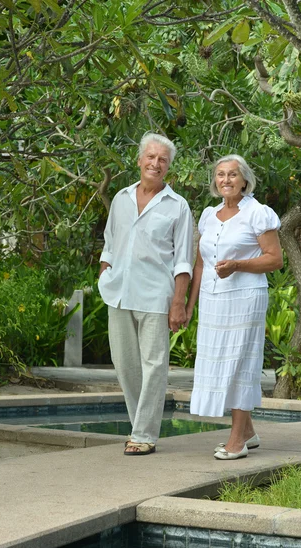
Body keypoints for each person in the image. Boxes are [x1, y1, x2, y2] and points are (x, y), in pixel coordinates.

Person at [98, 133, 193, 456]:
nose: (155, 163)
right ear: (139, 160)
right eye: (150, 157)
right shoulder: (121, 198)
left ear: (168, 167)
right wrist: (104, 272)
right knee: (124, 365)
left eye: (162, 160)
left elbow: (184, 258)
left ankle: (143, 434)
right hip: (119, 294)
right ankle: (140, 426)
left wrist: (178, 302)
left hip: (156, 296)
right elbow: (110, 243)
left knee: (154, 365)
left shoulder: (178, 206)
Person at [185, 154, 283, 460]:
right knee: (221, 362)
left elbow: (275, 259)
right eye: (220, 174)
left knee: (240, 362)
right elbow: (200, 264)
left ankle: (237, 440)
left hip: (245, 298)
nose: (225, 180)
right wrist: (189, 305)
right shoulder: (208, 215)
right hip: (213, 301)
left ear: (244, 180)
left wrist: (238, 265)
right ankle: (249, 432)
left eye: (232, 175)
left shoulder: (258, 213)